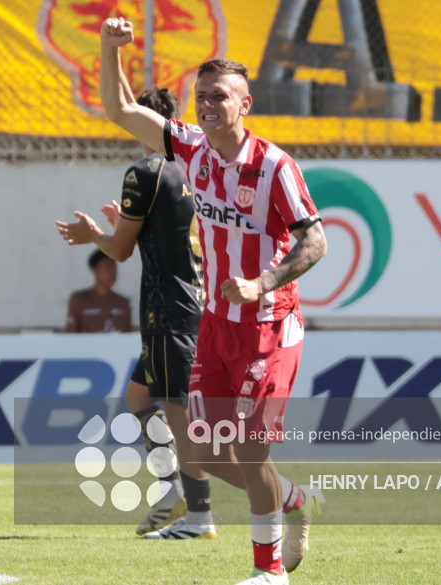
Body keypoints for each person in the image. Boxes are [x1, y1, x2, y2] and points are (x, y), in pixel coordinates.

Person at [97, 17, 328, 585]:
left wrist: (262, 283)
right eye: (201, 96)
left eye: (219, 97)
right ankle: (296, 499)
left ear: (245, 104)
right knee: (198, 457)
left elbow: (315, 240)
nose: (206, 105)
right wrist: (109, 51)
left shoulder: (275, 166)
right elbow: (122, 113)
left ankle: (269, 572)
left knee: (250, 454)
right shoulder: (192, 149)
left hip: (267, 327)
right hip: (215, 325)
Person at [56, 87, 216, 539]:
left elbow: (119, 251)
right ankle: (171, 490)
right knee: (139, 398)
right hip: (196, 300)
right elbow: (161, 231)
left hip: (168, 307)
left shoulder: (146, 171)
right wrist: (124, 226)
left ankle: (199, 514)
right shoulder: (199, 168)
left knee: (176, 409)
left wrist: (94, 234)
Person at [65, 248, 132, 333]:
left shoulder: (123, 302)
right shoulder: (78, 300)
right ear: (94, 270)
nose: (112, 272)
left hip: (117, 346)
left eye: (114, 267)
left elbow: (128, 337)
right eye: (108, 266)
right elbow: (70, 335)